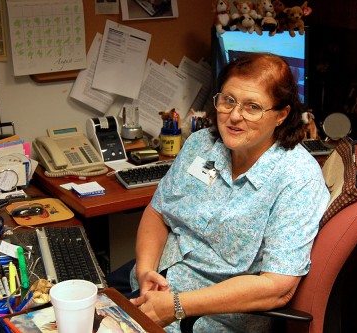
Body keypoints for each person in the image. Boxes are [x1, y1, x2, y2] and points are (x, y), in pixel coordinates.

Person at [107, 53, 330, 332]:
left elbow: (277, 287)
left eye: (252, 107)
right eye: (228, 100)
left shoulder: (297, 179)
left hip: (206, 317)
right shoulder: (203, 144)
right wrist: (145, 271)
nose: (234, 116)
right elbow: (158, 211)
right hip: (152, 283)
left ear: (281, 115)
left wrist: (177, 304)